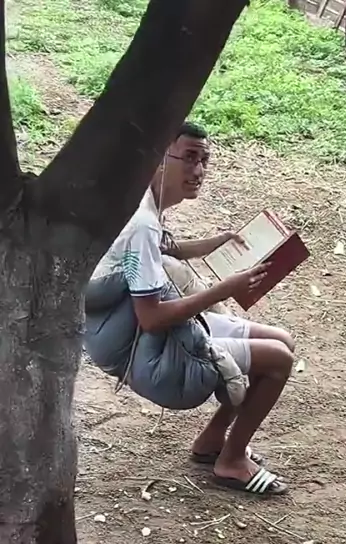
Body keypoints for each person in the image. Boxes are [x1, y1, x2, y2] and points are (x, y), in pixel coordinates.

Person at [84, 122, 294, 497]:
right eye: (190, 158)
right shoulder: (141, 226)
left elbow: (164, 251)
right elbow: (152, 319)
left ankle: (213, 441)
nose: (198, 171)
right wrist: (224, 289)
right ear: (159, 158)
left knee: (282, 339)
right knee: (278, 360)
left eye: (205, 160)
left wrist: (215, 243)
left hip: (149, 329)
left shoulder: (142, 202)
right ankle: (232, 462)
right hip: (148, 347)